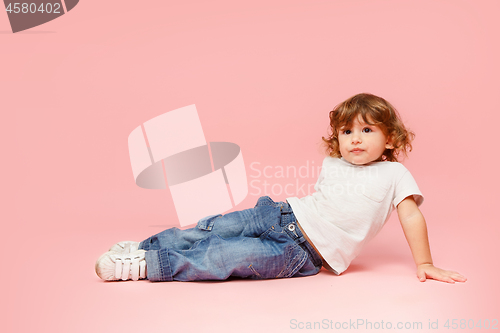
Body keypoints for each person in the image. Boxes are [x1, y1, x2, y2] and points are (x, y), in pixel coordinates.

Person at [95, 93, 467, 284]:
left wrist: (425, 263)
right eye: (347, 131)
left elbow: (412, 217)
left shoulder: (395, 175)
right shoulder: (334, 163)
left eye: (367, 130)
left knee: (226, 258)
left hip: (301, 253)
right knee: (211, 228)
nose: (355, 139)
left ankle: (147, 266)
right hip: (277, 213)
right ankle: (145, 247)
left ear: (390, 139)